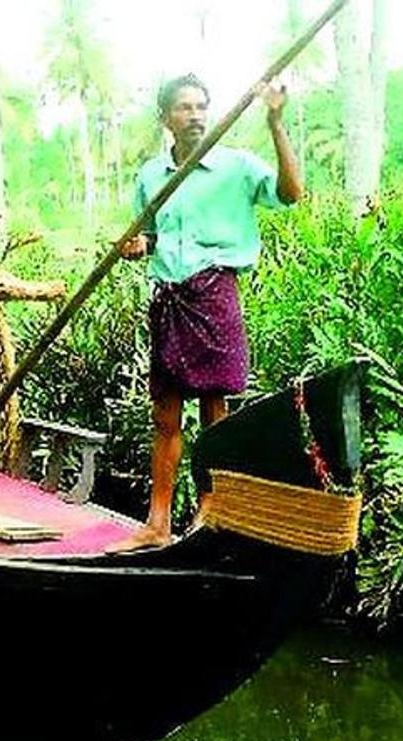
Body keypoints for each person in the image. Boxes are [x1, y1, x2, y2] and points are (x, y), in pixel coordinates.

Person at [108, 73, 303, 552]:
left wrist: (275, 122)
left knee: (216, 413)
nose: (195, 116)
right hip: (171, 298)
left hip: (215, 293)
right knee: (165, 415)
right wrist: (139, 246)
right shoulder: (152, 176)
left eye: (201, 107)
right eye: (184, 108)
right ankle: (157, 523)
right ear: (166, 118)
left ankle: (211, 515)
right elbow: (153, 236)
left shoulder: (236, 167)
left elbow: (291, 194)